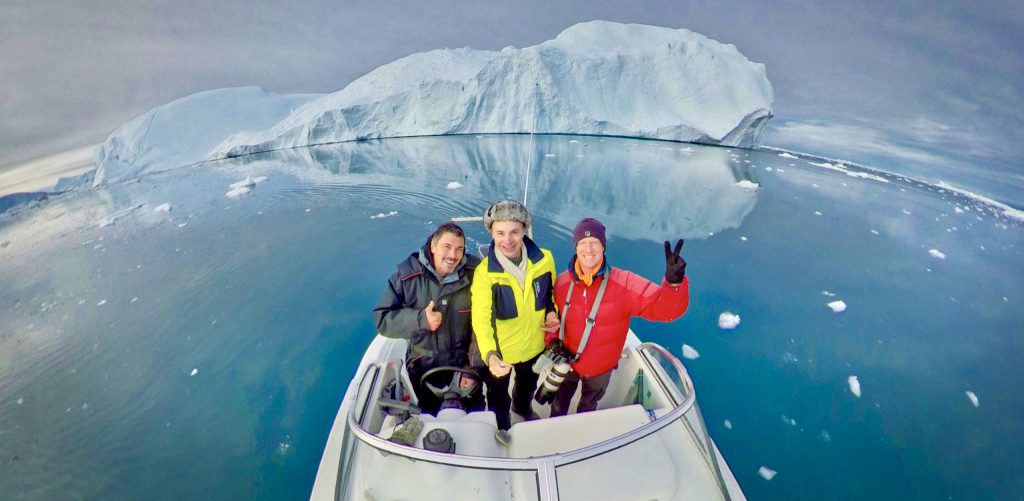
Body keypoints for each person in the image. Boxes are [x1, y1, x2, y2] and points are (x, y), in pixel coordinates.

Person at [548, 217, 689, 417]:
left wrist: (674, 285)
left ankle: (582, 427)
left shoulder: (624, 284)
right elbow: (549, 320)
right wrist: (552, 343)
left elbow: (665, 312)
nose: (588, 249)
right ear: (576, 247)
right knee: (558, 403)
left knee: (588, 406)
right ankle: (556, 425)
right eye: (583, 243)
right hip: (565, 363)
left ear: (603, 247)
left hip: (600, 368)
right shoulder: (561, 283)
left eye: (594, 243)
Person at [471, 200, 559, 444]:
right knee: (498, 395)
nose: (507, 240)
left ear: (524, 230)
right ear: (491, 233)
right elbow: (481, 319)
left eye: (514, 232)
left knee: (527, 387)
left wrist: (552, 314)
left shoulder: (545, 260)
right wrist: (490, 355)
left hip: (534, 345)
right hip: (502, 352)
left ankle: (523, 408)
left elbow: (550, 295)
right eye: (500, 233)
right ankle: (503, 424)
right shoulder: (485, 273)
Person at [373, 222, 483, 415]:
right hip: (423, 367)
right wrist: (420, 319)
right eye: (446, 247)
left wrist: (473, 367)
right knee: (429, 416)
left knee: (476, 414)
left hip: (465, 365)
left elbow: (485, 324)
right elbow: (382, 319)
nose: (453, 255)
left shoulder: (477, 274)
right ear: (433, 246)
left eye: (459, 249)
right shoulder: (406, 277)